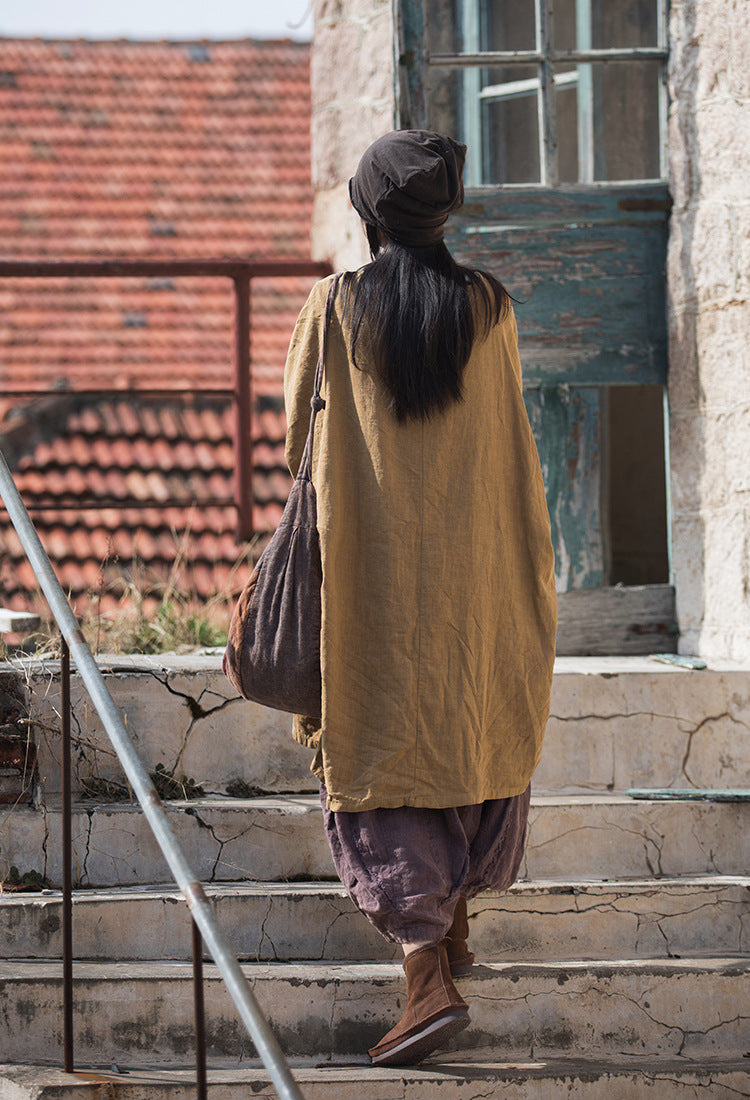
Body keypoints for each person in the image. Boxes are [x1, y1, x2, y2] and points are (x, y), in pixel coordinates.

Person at [283, 130, 557, 1067]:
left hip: (372, 582)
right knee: (471, 719)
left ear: (367, 215)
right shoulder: (491, 305)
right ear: (444, 214)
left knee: (382, 742)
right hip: (480, 573)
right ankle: (456, 932)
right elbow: (512, 432)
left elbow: (294, 445)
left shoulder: (334, 308)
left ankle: (424, 974)